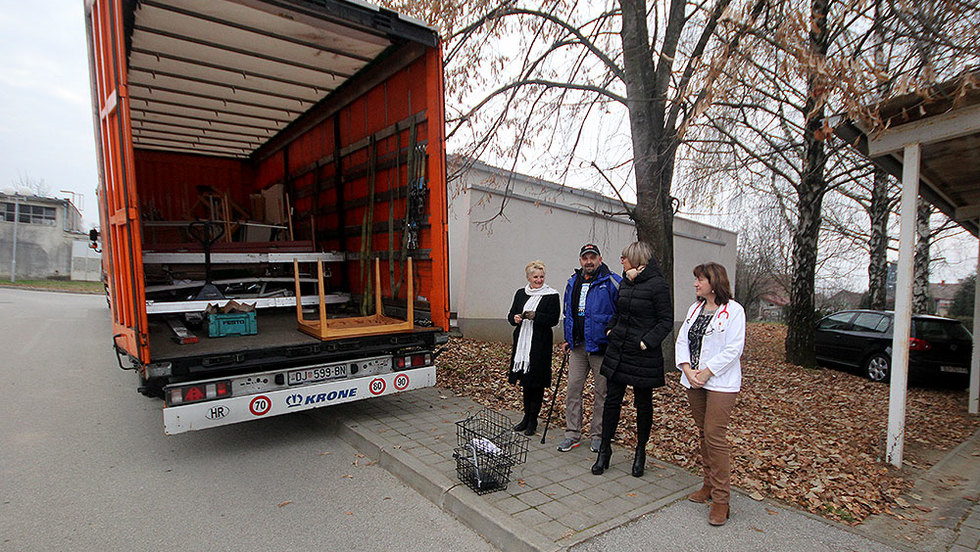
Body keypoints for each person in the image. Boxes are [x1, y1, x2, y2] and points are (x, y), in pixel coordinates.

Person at [592, 241, 673, 478]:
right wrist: (610, 329)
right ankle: (604, 451)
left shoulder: (658, 285)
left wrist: (646, 342)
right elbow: (618, 312)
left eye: (624, 257)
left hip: (642, 355)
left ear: (637, 259)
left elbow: (665, 320)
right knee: (612, 402)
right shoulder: (627, 281)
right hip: (619, 350)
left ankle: (640, 452)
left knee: (643, 405)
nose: (621, 261)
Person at [675, 262, 745, 526]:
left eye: (699, 279)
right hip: (694, 380)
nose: (695, 284)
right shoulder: (695, 309)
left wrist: (706, 372)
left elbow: (733, 349)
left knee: (715, 435)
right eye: (695, 279)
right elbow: (683, 340)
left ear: (714, 282)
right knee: (703, 433)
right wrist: (687, 369)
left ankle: (721, 500)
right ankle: (707, 484)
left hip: (720, 382)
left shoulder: (734, 311)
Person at [557, 243, 621, 453]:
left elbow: (621, 311)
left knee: (601, 393)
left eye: (593, 257)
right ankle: (572, 434)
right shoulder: (573, 282)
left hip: (601, 347)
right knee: (573, 390)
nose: (589, 261)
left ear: (600, 259)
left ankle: (598, 435)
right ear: (580, 260)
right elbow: (569, 314)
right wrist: (568, 338)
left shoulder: (611, 281)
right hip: (578, 347)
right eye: (585, 258)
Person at [508, 260, 561, 436]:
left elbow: (553, 319)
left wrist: (536, 316)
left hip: (539, 344)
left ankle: (533, 420)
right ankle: (526, 417)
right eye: (535, 277)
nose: (539, 280)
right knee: (526, 383)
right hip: (522, 344)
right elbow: (511, 315)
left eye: (541, 276)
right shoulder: (521, 293)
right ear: (529, 277)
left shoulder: (551, 295)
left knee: (535, 383)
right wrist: (515, 318)